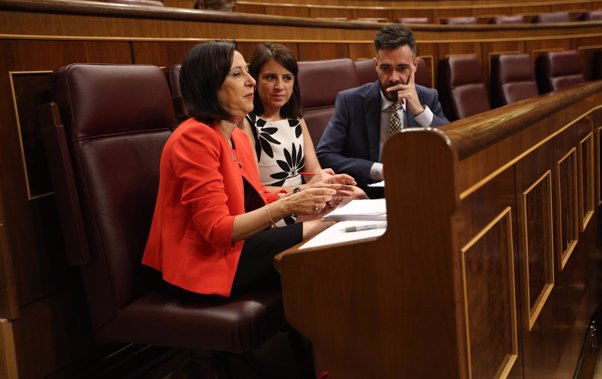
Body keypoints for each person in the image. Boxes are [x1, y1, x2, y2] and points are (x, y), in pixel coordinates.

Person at [142, 40, 350, 297]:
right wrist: (291, 204)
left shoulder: (235, 135)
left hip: (235, 248)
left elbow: (255, 199)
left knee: (333, 228)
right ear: (210, 85)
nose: (251, 81)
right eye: (237, 74)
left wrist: (311, 194)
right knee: (328, 230)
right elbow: (217, 230)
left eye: (248, 72)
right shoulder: (193, 137)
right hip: (202, 264)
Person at [315, 24, 449, 196]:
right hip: (370, 195)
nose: (393, 78)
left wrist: (420, 112)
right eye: (386, 68)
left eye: (402, 68)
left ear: (415, 65)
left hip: (420, 191)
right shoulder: (350, 101)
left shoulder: (428, 98)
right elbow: (325, 154)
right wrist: (378, 170)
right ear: (375, 65)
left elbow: (450, 143)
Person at [241, 43, 366, 219]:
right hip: (273, 209)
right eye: (270, 78)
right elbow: (255, 191)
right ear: (255, 80)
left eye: (287, 78)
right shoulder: (246, 123)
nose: (279, 86)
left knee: (356, 195)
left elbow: (313, 169)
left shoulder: (295, 118)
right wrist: (307, 189)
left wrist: (328, 182)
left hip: (307, 200)